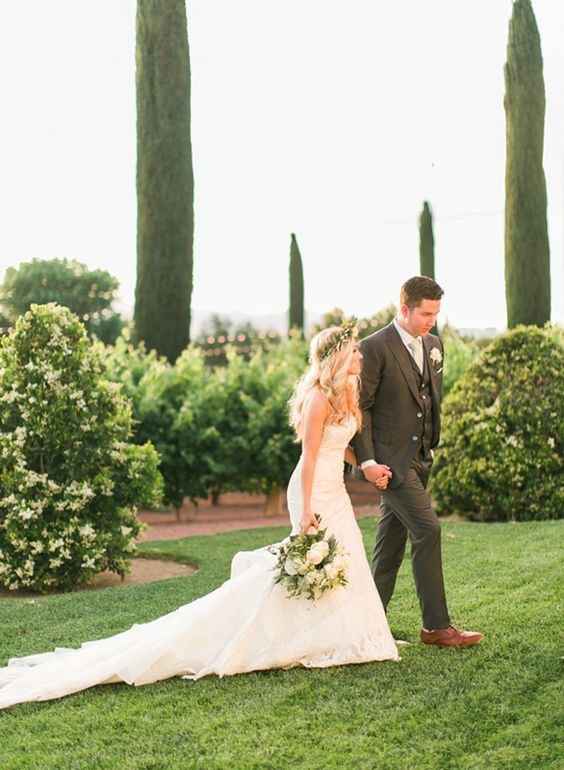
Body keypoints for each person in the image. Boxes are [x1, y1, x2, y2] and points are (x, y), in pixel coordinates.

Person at [0, 324, 399, 710]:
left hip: (335, 486)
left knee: (343, 557)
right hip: (313, 489)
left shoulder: (346, 392)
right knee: (312, 561)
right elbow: (309, 456)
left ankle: (347, 634)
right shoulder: (317, 398)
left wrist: (365, 465)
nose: (360, 355)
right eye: (354, 350)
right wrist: (307, 509)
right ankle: (286, 634)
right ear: (336, 357)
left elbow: (338, 446)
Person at [351, 276, 484, 648]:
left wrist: (431, 447)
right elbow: (360, 408)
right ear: (404, 308)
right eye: (425, 314)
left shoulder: (434, 345)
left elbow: (429, 399)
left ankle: (366, 625)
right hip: (390, 464)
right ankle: (436, 627)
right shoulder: (373, 347)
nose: (431, 321)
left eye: (436, 314)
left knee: (389, 546)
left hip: (421, 458)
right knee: (428, 530)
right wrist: (367, 462)